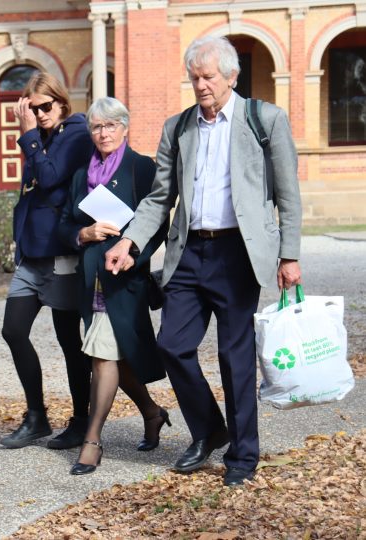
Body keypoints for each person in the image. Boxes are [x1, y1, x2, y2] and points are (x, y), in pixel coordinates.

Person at [105, 36, 302, 487]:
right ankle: (211, 429)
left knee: (236, 360)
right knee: (172, 345)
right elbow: (160, 198)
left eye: (208, 77)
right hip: (188, 252)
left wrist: (289, 254)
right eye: (194, 77)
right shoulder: (178, 128)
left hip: (238, 254)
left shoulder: (264, 119)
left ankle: (243, 455)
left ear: (231, 77)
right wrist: (130, 242)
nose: (200, 85)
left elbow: (288, 194)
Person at [57, 97, 170, 475]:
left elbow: (158, 225)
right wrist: (82, 233)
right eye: (96, 127)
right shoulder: (80, 175)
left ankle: (92, 441)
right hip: (90, 280)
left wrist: (133, 254)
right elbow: (62, 224)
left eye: (110, 125)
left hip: (124, 279)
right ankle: (153, 413)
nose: (103, 133)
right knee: (114, 356)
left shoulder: (141, 168)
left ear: (125, 128)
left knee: (103, 356)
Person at [0, 72, 93, 450]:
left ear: (61, 102)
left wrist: (29, 136)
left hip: (61, 256)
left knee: (70, 342)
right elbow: (32, 189)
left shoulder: (76, 133)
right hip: (32, 255)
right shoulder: (43, 138)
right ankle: (36, 416)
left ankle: (82, 420)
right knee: (13, 330)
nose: (38, 114)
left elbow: (51, 178)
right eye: (32, 108)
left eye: (45, 106)